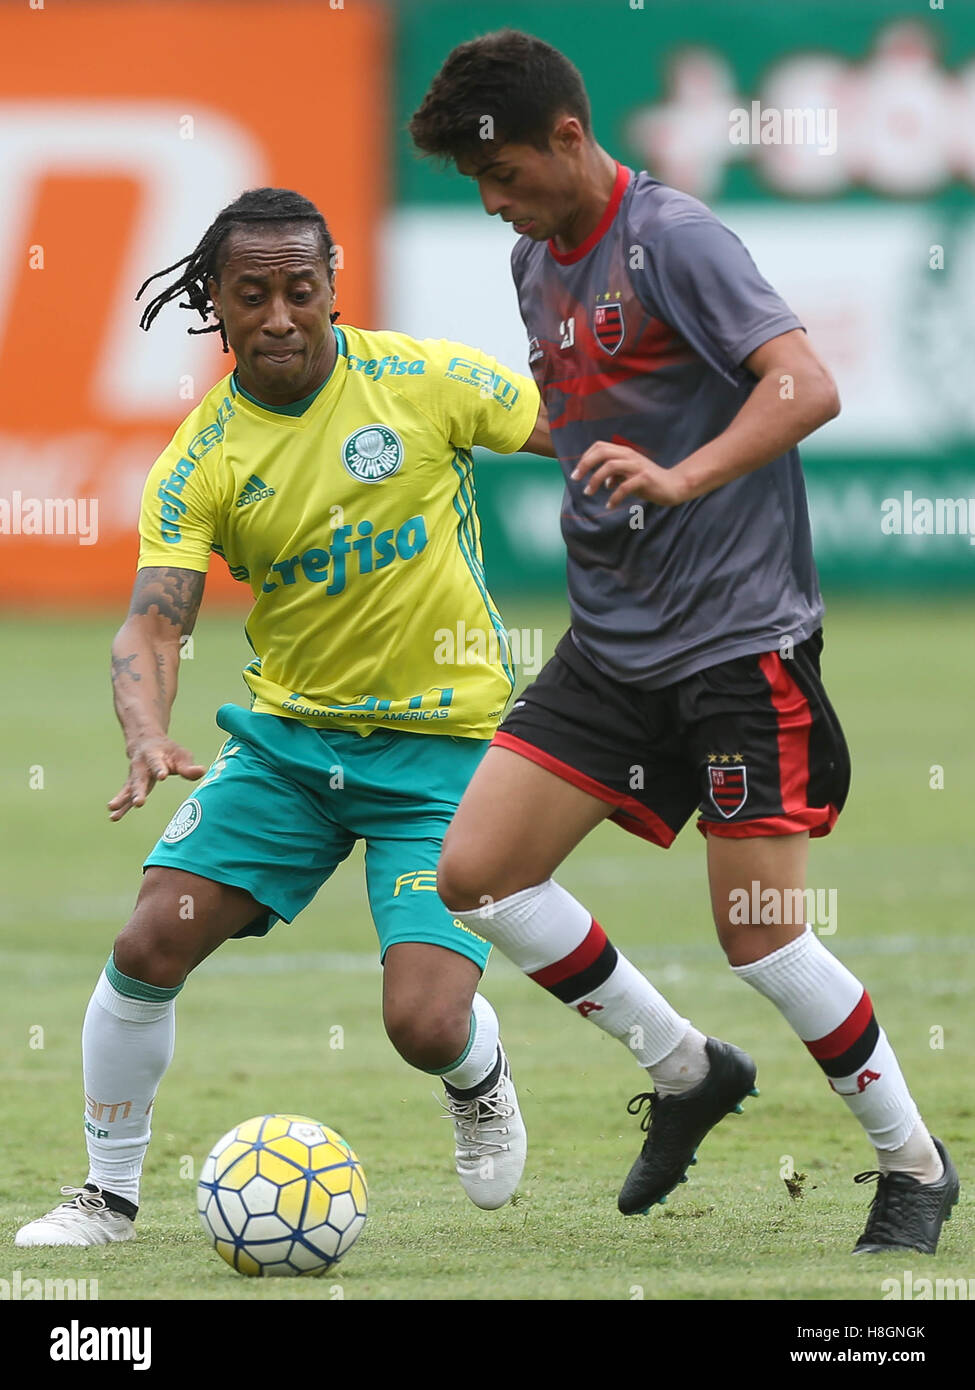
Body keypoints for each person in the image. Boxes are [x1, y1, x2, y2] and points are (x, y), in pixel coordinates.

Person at [408, 29, 958, 1253]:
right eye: (474, 186)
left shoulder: (676, 239)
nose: (495, 201)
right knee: (479, 874)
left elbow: (805, 384)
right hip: (610, 646)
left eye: (504, 174)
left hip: (735, 647)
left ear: (570, 132)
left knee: (760, 933)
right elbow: (594, 416)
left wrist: (683, 476)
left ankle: (914, 1165)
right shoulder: (533, 262)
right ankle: (687, 1068)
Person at [16, 186, 553, 1249]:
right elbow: (152, 627)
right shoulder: (201, 458)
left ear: (332, 290)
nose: (277, 316)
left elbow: (576, 431)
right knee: (147, 940)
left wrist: (689, 474)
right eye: (250, 293)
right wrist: (146, 730)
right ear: (212, 301)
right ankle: (109, 1196)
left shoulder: (427, 381)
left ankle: (479, 1078)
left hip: (444, 749)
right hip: (291, 747)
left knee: (423, 1020)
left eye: (299, 291)